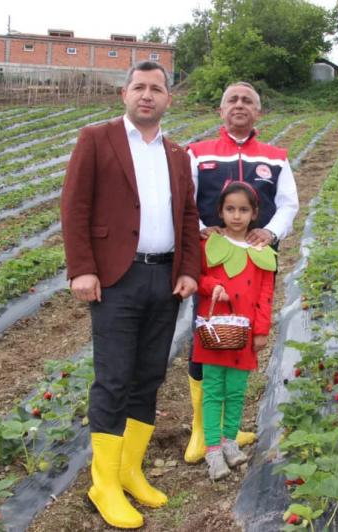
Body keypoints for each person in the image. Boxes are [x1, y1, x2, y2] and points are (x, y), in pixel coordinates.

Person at [61, 61, 200, 529]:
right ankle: (103, 484)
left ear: (168, 99)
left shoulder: (177, 153)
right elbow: (74, 207)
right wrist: (82, 268)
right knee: (114, 378)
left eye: (156, 88)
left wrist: (188, 269)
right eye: (139, 87)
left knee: (149, 376)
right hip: (116, 278)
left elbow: (187, 216)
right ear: (124, 94)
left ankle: (129, 471)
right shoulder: (96, 139)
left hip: (164, 278)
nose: (147, 95)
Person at [183, 81, 298, 463]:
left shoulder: (275, 158)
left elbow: (288, 204)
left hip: (254, 261)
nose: (239, 105)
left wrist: (271, 232)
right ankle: (202, 430)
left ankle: (228, 431)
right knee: (206, 332)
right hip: (212, 263)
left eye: (247, 100)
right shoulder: (198, 153)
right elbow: (186, 201)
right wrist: (203, 229)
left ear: (258, 111)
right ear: (221, 110)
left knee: (245, 334)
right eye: (232, 99)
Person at [192, 181, 275, 480]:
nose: (236, 216)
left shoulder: (262, 251)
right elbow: (197, 277)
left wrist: (261, 330)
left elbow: (266, 294)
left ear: (254, 213)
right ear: (220, 212)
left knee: (237, 390)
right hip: (214, 332)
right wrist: (213, 285)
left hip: (244, 334)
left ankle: (230, 440)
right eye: (230, 209)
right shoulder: (209, 245)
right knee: (213, 389)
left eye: (243, 210)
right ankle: (213, 449)